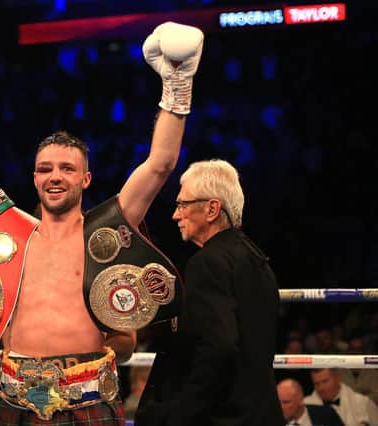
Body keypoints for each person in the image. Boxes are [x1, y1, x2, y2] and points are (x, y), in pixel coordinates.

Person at [0, 21, 203, 424]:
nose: (55, 176)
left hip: (88, 398)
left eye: (67, 168)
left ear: (85, 179)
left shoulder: (102, 232)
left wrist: (178, 84)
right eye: (45, 168)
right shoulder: (12, 230)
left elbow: (159, 165)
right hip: (16, 398)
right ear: (34, 177)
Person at [135, 159, 285, 425]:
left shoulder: (208, 262)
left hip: (222, 416)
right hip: (259, 412)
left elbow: (219, 348)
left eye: (183, 204)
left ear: (212, 209)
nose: (175, 214)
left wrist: (182, 415)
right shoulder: (255, 257)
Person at [304, 368, 378, 426]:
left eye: (325, 381)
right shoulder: (305, 406)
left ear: (338, 378)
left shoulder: (363, 403)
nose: (321, 388)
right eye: (317, 384)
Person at [276, 378, 343, 426]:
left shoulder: (327, 414)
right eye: (278, 402)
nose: (281, 407)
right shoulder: (272, 422)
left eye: (286, 402)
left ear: (300, 400)